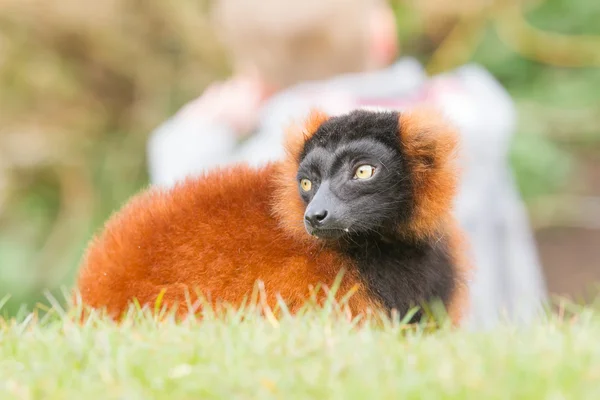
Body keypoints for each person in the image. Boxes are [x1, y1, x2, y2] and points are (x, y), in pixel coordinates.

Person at [146, 0, 547, 329]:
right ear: (383, 35)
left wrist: (200, 127)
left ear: (256, 76)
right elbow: (489, 106)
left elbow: (188, 197)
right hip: (497, 330)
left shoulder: (290, 149)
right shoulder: (465, 113)